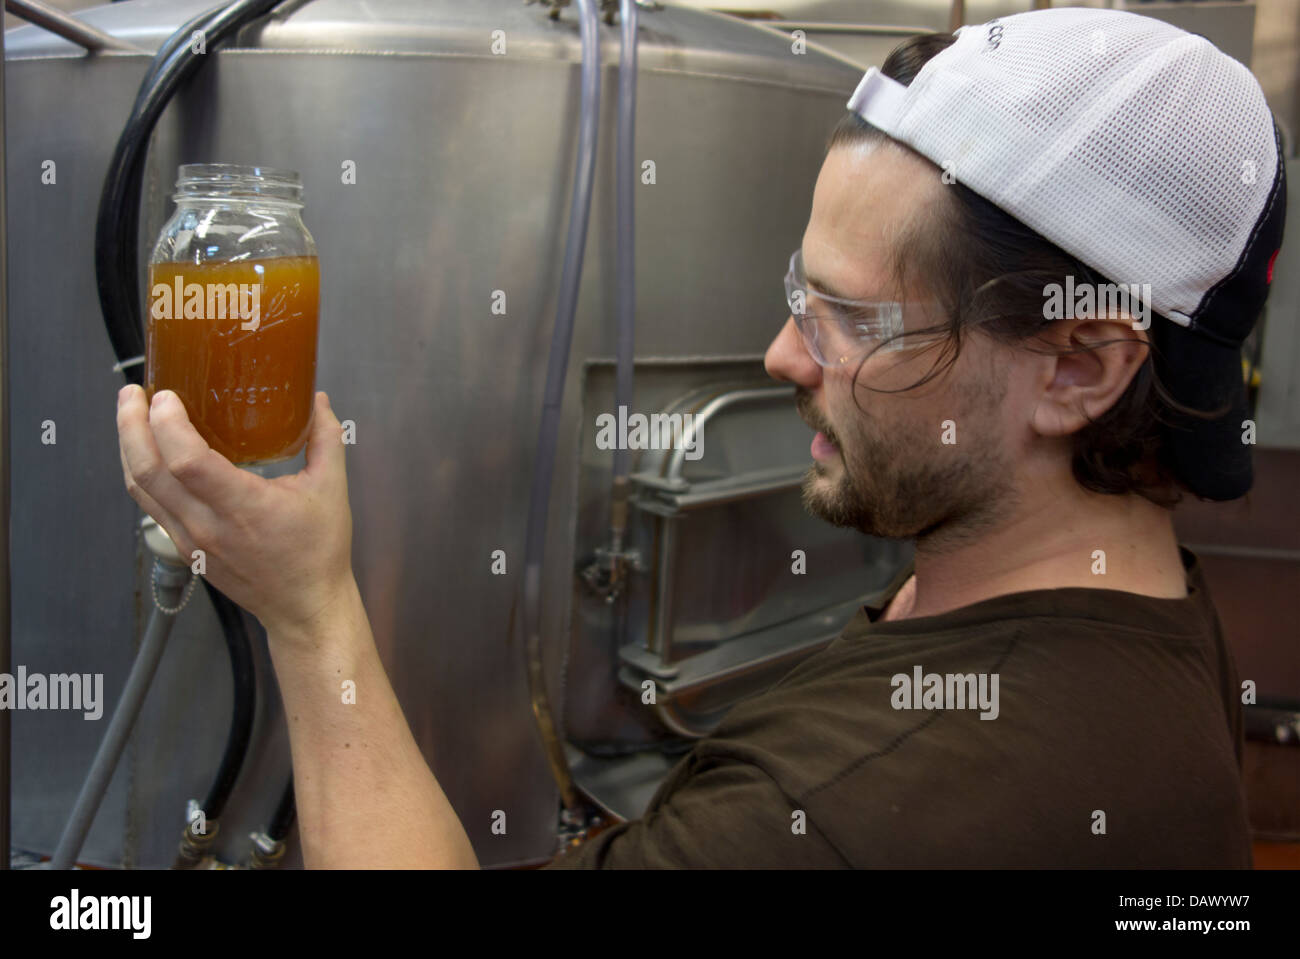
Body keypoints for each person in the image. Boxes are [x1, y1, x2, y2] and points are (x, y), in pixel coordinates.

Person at [116, 7, 1286, 868]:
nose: (782, 356)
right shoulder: (1145, 605)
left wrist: (310, 609)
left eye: (850, 319)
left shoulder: (855, 805)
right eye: (797, 294)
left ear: (1079, 366)